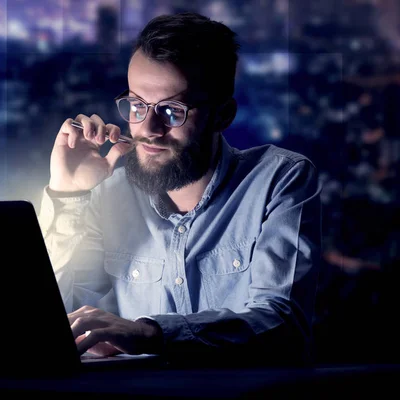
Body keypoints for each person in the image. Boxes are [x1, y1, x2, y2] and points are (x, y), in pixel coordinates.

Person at [37, 12, 322, 367]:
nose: (148, 128)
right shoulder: (107, 192)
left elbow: (283, 327)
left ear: (222, 116)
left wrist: (150, 333)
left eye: (172, 111)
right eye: (137, 105)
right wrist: (69, 195)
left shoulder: (278, 179)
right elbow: (50, 321)